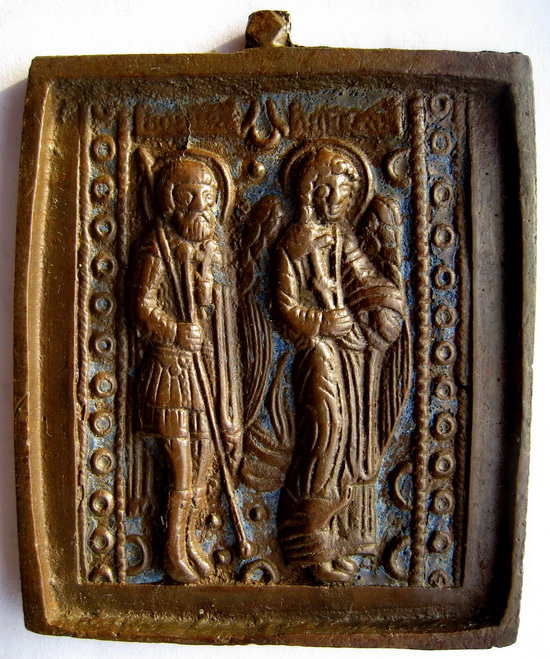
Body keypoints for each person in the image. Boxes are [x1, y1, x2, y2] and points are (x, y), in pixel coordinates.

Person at [274, 146, 407, 583]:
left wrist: (385, 304)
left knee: (346, 439)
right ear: (311, 189)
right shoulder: (294, 242)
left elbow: (362, 276)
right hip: (316, 352)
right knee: (325, 436)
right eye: (331, 192)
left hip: (346, 355)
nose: (338, 203)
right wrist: (322, 322)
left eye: (346, 197)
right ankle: (306, 541)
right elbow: (284, 307)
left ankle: (334, 539)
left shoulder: (340, 238)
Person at [131, 155, 241, 583]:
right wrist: (175, 330)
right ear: (172, 202)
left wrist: (207, 282)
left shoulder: (206, 250)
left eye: (209, 199)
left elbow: (213, 312)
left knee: (203, 462)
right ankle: (172, 551)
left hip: (201, 372)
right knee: (180, 467)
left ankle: (191, 540)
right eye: (191, 197)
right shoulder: (156, 247)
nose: (201, 207)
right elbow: (142, 308)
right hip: (170, 374)